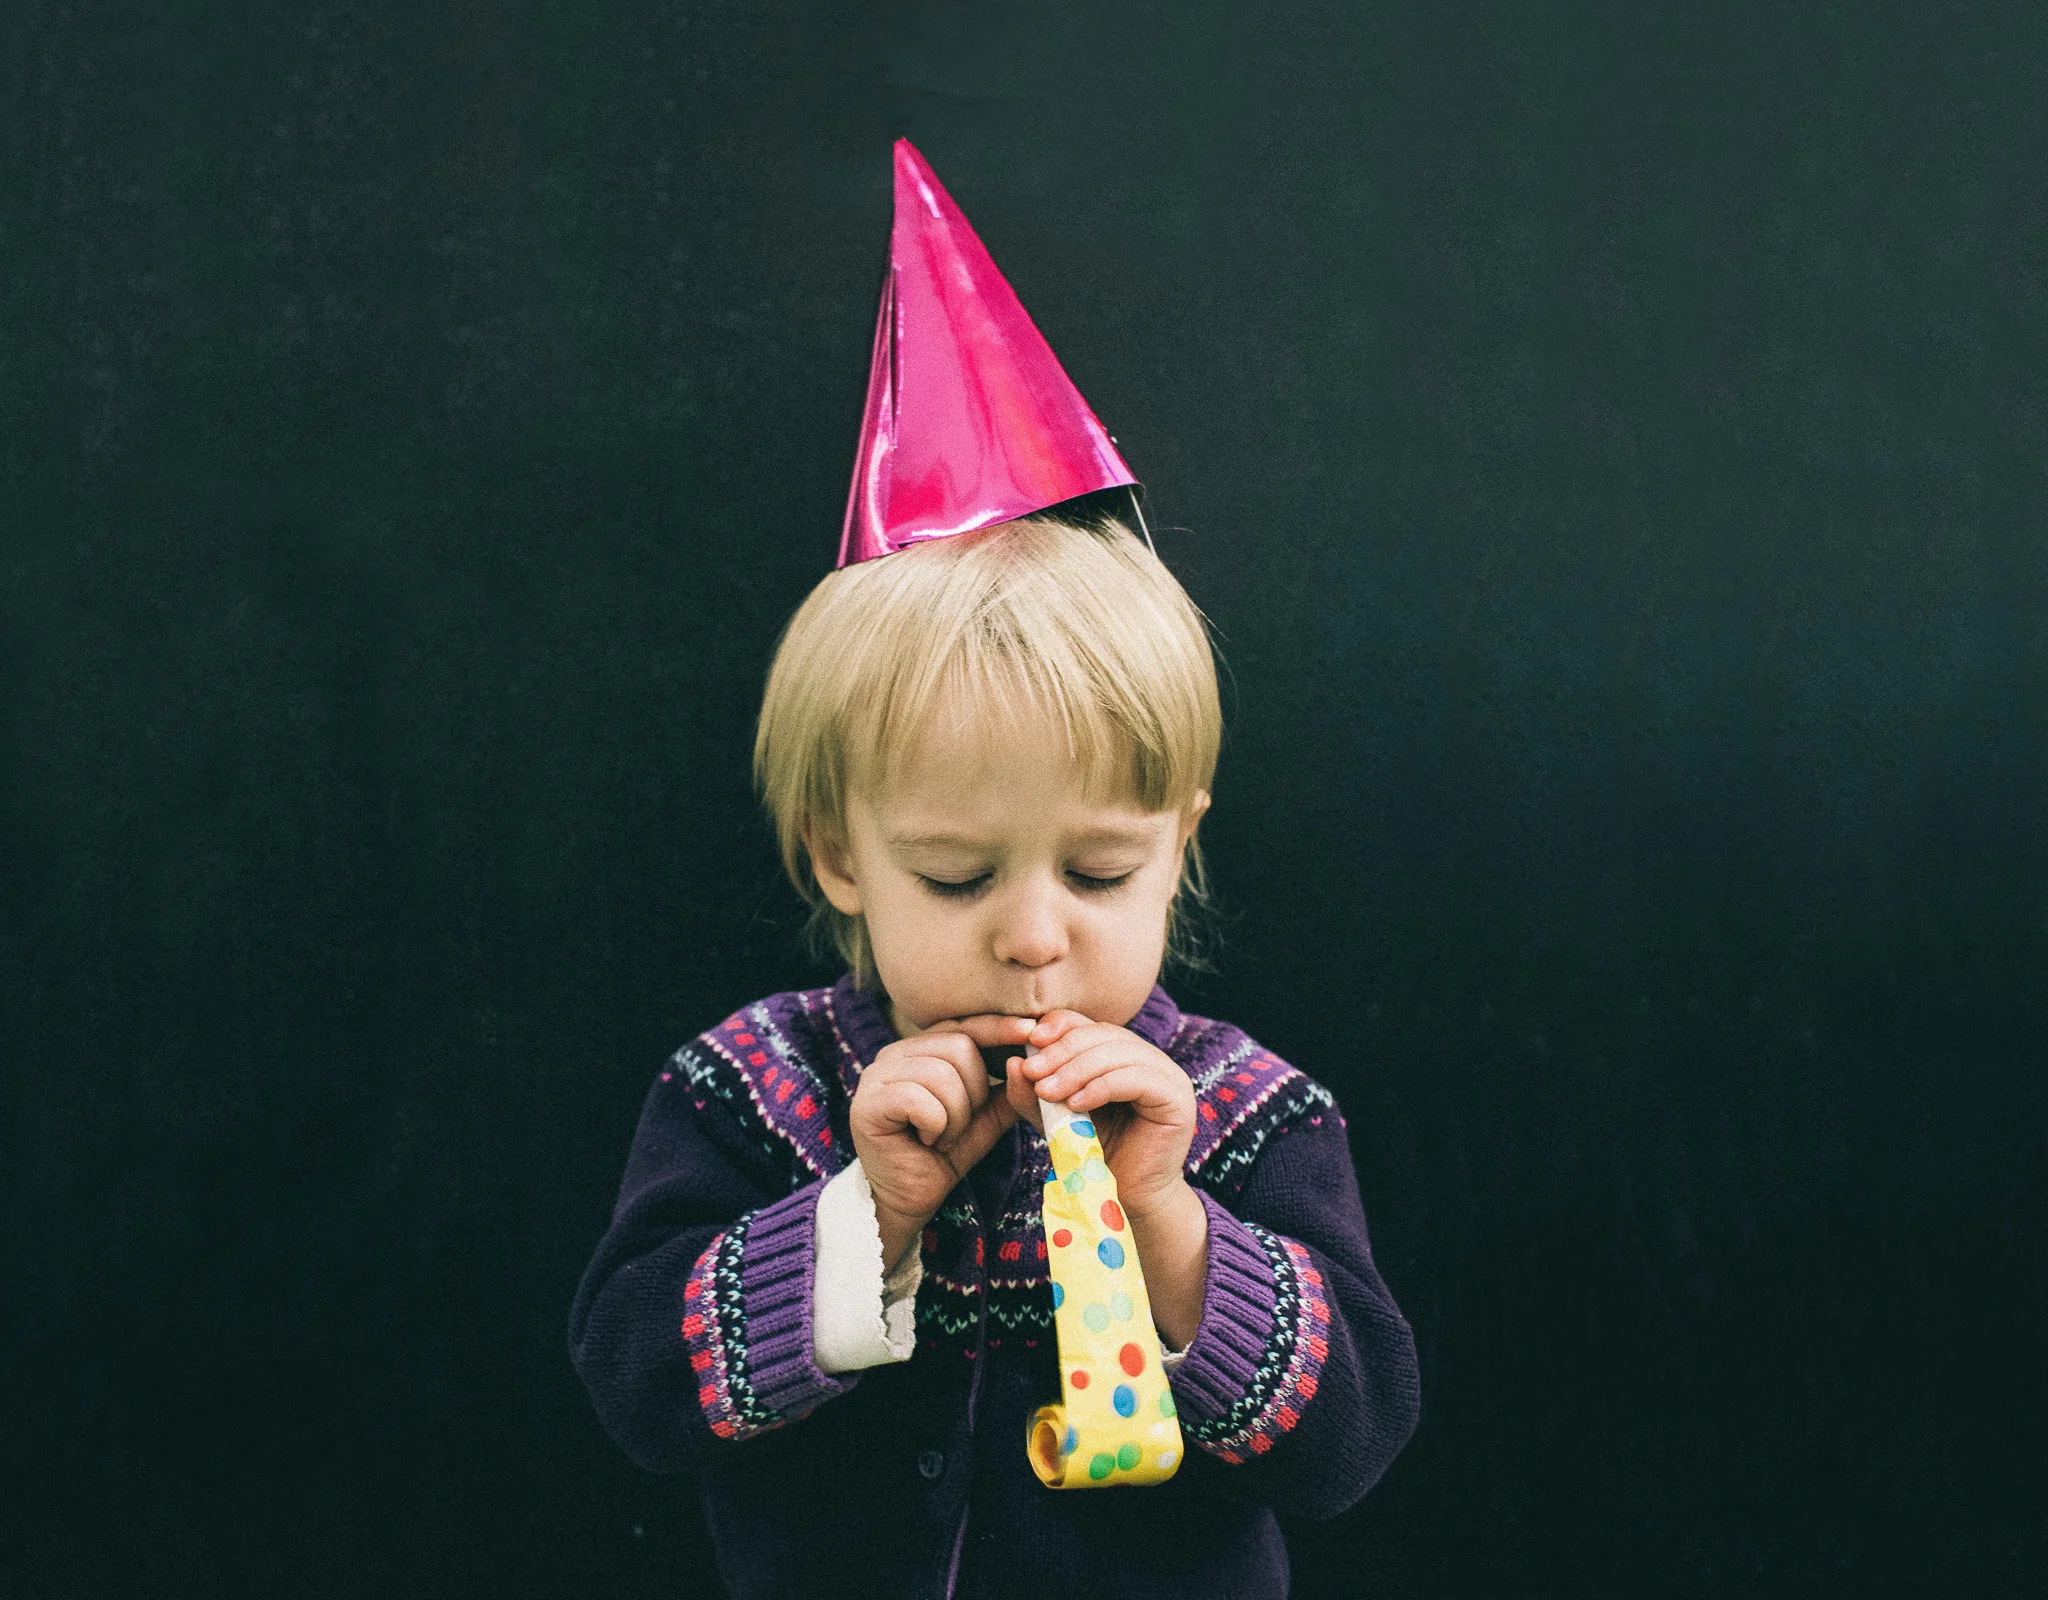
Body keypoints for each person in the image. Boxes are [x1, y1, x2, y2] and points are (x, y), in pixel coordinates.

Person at [569, 141, 1418, 1600]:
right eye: (959, 879)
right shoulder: (751, 1091)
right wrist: (867, 1214)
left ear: (1180, 841)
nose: (1034, 937)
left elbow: (1350, 1447)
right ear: (839, 854)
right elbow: (637, 1390)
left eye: (1099, 872)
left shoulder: (1243, 1113)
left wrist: (1172, 1224)